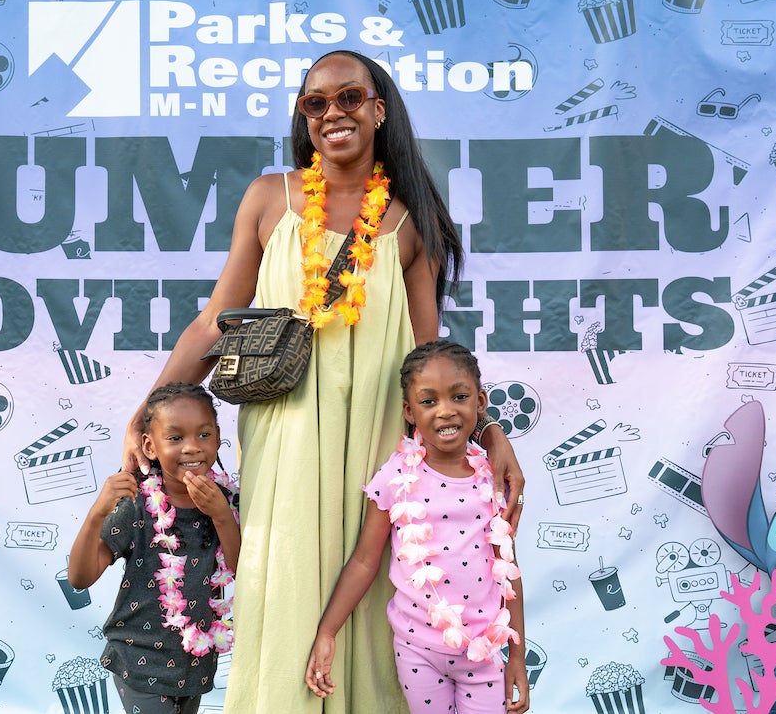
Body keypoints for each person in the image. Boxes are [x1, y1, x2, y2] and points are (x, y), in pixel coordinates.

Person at [122, 49, 525, 714]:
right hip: (282, 447)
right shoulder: (269, 198)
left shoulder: (404, 224)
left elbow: (430, 360)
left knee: (367, 604)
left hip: (374, 450)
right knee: (280, 593)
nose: (333, 113)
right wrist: (149, 413)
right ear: (304, 118)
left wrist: (491, 431)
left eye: (349, 98)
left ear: (378, 108)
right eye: (316, 103)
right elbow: (211, 324)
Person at [305, 340, 530, 714]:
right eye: (429, 401)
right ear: (409, 412)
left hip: (484, 651)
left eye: (459, 397)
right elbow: (364, 561)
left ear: (480, 403)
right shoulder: (396, 477)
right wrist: (327, 631)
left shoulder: (492, 478)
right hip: (417, 651)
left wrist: (517, 655)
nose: (445, 411)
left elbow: (508, 569)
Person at [69, 383, 241, 714]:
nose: (192, 448)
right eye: (175, 438)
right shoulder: (137, 505)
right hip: (139, 659)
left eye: (203, 435)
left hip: (195, 662)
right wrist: (96, 514)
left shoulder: (229, 502)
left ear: (219, 437)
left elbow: (241, 570)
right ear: (149, 445)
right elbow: (79, 578)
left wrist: (221, 515)